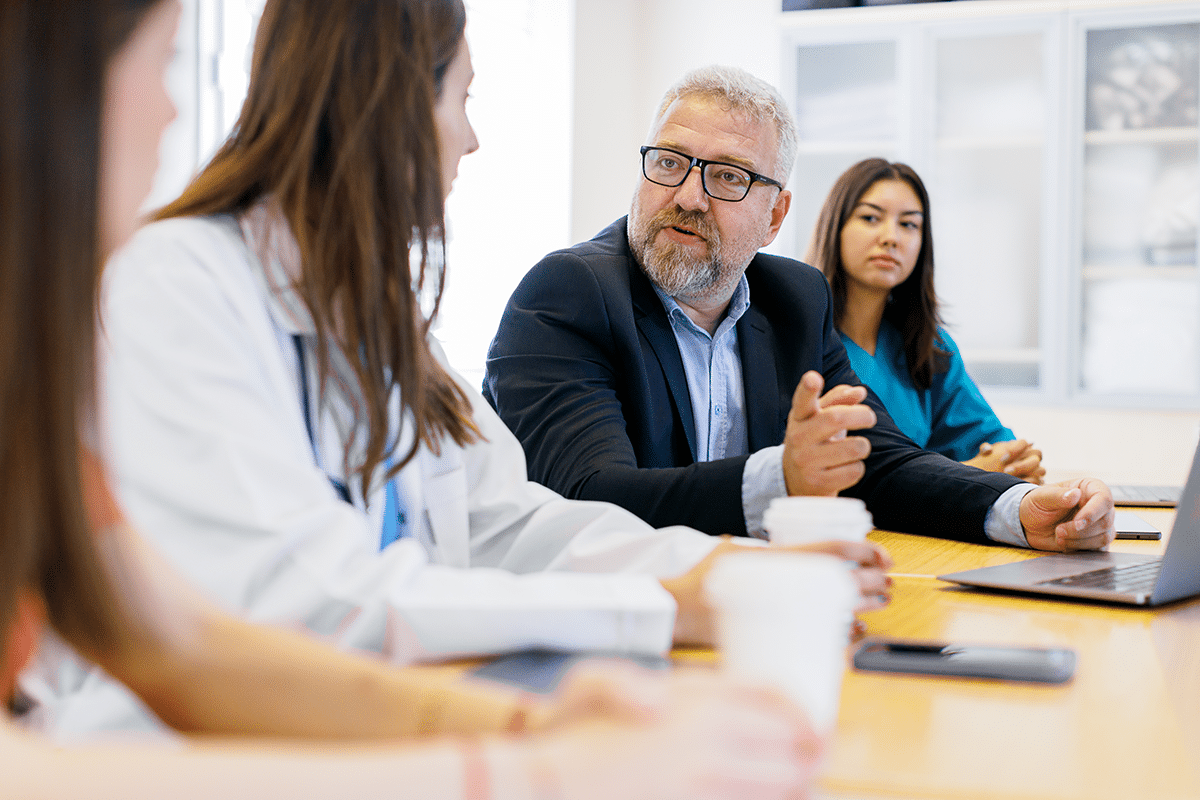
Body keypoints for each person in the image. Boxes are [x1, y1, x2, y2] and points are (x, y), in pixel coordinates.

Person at [0, 2, 822, 797]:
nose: (471, 137)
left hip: (353, 740)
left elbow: (505, 518)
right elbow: (307, 605)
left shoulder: (372, 313)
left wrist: (708, 574)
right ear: (390, 103)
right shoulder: (174, 286)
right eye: (459, 97)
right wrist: (635, 626)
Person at [484, 65, 1114, 548]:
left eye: (729, 177)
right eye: (670, 163)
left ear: (776, 215)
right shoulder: (567, 293)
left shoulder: (794, 299)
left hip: (747, 609)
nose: (689, 197)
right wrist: (782, 476)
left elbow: (877, 462)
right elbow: (591, 499)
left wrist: (1022, 509)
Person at [807, 158, 1044, 483]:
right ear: (835, 227)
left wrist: (1017, 460)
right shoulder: (800, 336)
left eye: (909, 224)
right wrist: (972, 475)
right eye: (870, 218)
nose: (891, 237)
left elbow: (993, 443)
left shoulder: (929, 346)